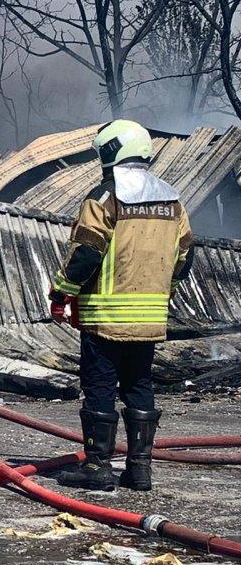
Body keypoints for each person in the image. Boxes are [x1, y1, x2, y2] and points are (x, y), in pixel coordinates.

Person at [49, 119, 194, 492]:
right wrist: (167, 292)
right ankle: (139, 469)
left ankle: (97, 467)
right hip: (148, 320)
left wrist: (61, 292)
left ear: (112, 152)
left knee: (99, 387)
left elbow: (86, 253)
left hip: (106, 317)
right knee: (139, 386)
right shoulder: (173, 200)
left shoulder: (105, 197)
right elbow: (185, 256)